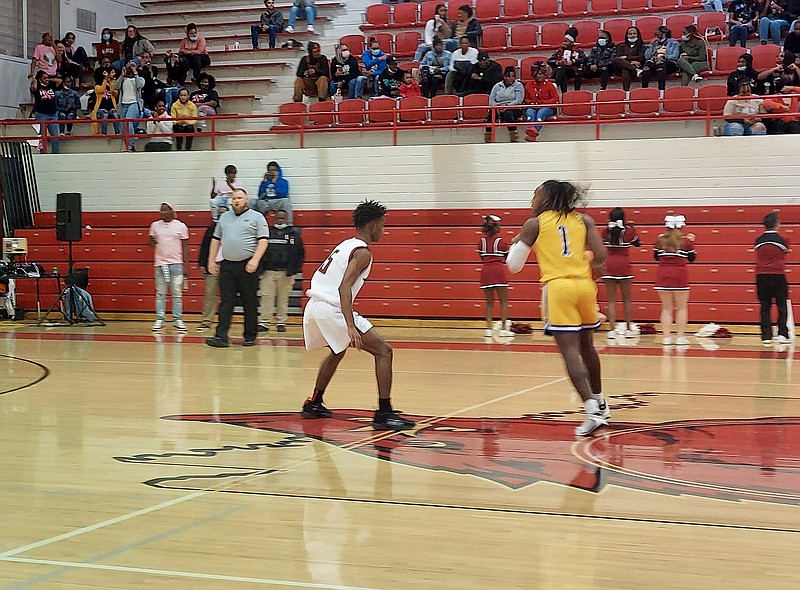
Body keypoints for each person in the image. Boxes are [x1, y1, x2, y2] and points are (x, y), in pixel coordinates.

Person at [506, 180, 610, 436]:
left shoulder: (534, 224)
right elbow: (601, 255)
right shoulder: (584, 220)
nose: (532, 200)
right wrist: (583, 260)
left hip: (558, 288)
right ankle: (600, 402)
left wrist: (518, 241)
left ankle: (591, 411)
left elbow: (513, 266)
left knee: (570, 353)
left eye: (535, 195)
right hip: (585, 287)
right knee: (588, 347)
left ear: (546, 199)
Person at [301, 200, 416, 431]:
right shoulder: (362, 252)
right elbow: (344, 287)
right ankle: (384, 412)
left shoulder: (346, 244)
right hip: (331, 308)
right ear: (372, 225)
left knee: (337, 350)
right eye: (382, 225)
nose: (383, 230)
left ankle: (313, 403)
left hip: (314, 307)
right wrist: (351, 326)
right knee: (384, 351)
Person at [206, 188, 269, 348]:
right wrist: (211, 261)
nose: (236, 200)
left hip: (247, 265)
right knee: (226, 302)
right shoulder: (224, 218)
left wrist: (255, 260)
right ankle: (221, 336)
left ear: (246, 200)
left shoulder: (257, 217)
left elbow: (263, 240)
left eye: (240, 198)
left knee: (250, 302)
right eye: (234, 198)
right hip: (227, 265)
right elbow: (215, 239)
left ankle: (249, 336)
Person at [258, 209, 305, 333]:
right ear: (274, 219)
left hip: (285, 273)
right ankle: (264, 322)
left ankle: (281, 322)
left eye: (282, 218)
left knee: (283, 299)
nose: (280, 220)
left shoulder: (294, 234)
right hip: (268, 272)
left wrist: (294, 269)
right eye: (278, 218)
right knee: (266, 297)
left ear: (286, 219)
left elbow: (300, 253)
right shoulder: (267, 233)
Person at [654, 214, 696, 345]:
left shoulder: (660, 241)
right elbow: (692, 258)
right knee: (682, 307)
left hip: (663, 275)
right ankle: (680, 337)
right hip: (680, 275)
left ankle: (666, 337)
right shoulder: (686, 242)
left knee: (666, 308)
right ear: (682, 226)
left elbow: (656, 257)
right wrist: (691, 242)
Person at [149, 202, 190, 331]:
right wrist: (151, 240)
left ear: (172, 211)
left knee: (177, 293)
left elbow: (185, 246)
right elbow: (151, 244)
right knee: (160, 293)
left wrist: (186, 265)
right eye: (161, 210)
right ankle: (160, 319)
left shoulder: (181, 226)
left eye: (165, 210)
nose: (162, 213)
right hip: (160, 264)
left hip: (176, 263)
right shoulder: (155, 226)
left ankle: (177, 319)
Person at [602, 207, 641, 339]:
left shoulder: (605, 231)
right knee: (627, 300)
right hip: (624, 264)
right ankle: (629, 329)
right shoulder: (628, 232)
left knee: (611, 300)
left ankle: (612, 330)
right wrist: (632, 228)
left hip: (609, 264)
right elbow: (637, 243)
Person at [755, 212, 791, 345]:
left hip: (761, 275)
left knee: (765, 305)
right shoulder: (783, 239)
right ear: (777, 224)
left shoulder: (758, 240)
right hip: (777, 274)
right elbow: (785, 251)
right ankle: (782, 333)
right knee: (781, 304)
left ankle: (766, 336)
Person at [478, 215, 513, 338]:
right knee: (504, 302)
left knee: (489, 303)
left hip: (485, 271)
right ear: (496, 227)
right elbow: (508, 257)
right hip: (498, 271)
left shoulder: (481, 242)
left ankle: (488, 329)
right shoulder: (501, 242)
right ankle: (503, 328)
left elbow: (482, 257)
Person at [197, 203, 227, 331]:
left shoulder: (234, 228)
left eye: (225, 212)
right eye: (220, 213)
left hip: (228, 265)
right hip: (213, 265)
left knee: (227, 296)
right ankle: (207, 320)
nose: (222, 215)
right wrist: (202, 263)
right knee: (210, 293)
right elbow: (204, 247)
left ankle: (224, 322)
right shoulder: (212, 228)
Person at [523, 61, 559, 142]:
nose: (539, 76)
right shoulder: (529, 85)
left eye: (541, 73)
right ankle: (532, 133)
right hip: (533, 106)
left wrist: (543, 102)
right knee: (530, 113)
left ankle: (532, 133)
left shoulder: (550, 85)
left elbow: (555, 99)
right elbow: (526, 99)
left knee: (541, 113)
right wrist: (531, 102)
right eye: (538, 73)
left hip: (547, 107)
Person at [114, 61, 146, 151]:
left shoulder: (140, 79)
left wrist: (135, 73)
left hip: (134, 103)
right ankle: (128, 144)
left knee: (128, 122)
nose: (130, 68)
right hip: (123, 104)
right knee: (123, 127)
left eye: (133, 66)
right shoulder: (123, 79)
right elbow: (115, 86)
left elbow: (140, 85)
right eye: (129, 66)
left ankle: (130, 145)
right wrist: (122, 75)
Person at [488, 66, 524, 143]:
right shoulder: (497, 86)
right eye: (508, 76)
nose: (511, 78)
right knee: (491, 115)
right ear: (504, 77)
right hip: (498, 108)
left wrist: (507, 106)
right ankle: (489, 139)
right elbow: (491, 100)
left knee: (508, 114)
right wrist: (497, 107)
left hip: (513, 108)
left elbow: (518, 100)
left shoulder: (519, 86)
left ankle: (514, 138)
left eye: (513, 76)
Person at [30, 70, 60, 154]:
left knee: (55, 137)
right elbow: (34, 88)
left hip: (53, 114)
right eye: (44, 78)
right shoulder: (38, 87)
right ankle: (43, 154)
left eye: (47, 77)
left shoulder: (51, 85)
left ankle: (55, 154)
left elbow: (60, 81)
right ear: (40, 79)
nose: (46, 79)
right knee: (42, 137)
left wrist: (49, 79)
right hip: (41, 114)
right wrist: (35, 81)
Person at [642, 26, 680, 90]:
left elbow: (675, 56)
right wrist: (651, 45)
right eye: (655, 34)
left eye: (657, 34)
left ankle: (661, 89)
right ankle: (644, 89)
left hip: (669, 63)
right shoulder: (654, 43)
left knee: (660, 65)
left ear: (664, 34)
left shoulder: (673, 42)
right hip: (655, 62)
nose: (656, 36)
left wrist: (664, 57)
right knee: (647, 66)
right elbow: (647, 56)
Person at [614, 26, 646, 91]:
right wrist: (631, 61)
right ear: (627, 35)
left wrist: (627, 57)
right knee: (616, 60)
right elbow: (619, 57)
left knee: (625, 70)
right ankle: (635, 69)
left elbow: (641, 57)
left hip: (633, 67)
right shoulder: (621, 46)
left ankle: (626, 91)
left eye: (634, 33)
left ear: (637, 35)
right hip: (621, 67)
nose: (632, 35)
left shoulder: (642, 46)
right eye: (630, 34)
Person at [91, 66, 120, 135]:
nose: (107, 75)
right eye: (104, 73)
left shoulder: (110, 85)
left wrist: (111, 81)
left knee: (115, 115)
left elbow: (115, 92)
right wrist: (105, 80)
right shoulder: (97, 86)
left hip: (111, 108)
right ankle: (104, 133)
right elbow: (101, 90)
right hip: (100, 108)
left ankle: (117, 132)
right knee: (105, 115)